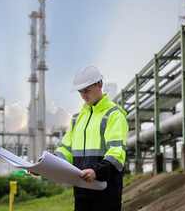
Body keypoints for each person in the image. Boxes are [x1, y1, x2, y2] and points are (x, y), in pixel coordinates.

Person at [55, 66, 129, 211]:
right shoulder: (78, 119)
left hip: (105, 194)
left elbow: (117, 154)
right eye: (80, 92)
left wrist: (96, 171)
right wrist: (44, 165)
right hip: (81, 193)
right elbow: (65, 150)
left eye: (87, 90)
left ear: (100, 85)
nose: (83, 95)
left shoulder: (113, 115)